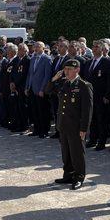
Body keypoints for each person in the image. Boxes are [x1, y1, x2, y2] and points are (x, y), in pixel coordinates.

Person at [45, 59, 94, 190]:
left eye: (69, 69)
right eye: (65, 69)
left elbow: (87, 110)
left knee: (77, 153)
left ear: (77, 70)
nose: (66, 72)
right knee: (66, 152)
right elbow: (48, 90)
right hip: (63, 124)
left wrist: (84, 128)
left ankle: (79, 177)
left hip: (76, 126)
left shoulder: (84, 85)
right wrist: (54, 78)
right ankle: (68, 174)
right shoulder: (63, 83)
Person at [83, 40, 110, 150]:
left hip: (101, 97)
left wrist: (107, 95)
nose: (94, 48)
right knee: (92, 119)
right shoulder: (88, 62)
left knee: (102, 119)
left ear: (102, 49)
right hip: (90, 96)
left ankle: (101, 142)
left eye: (97, 47)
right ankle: (92, 139)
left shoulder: (108, 62)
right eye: (93, 46)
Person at [25, 41, 52, 138]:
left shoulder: (47, 59)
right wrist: (27, 87)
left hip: (41, 90)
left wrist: (42, 89)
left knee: (43, 111)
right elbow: (30, 74)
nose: (35, 48)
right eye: (34, 47)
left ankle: (44, 130)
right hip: (32, 88)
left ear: (43, 48)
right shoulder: (33, 58)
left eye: (38, 47)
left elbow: (47, 76)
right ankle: (36, 129)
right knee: (34, 110)